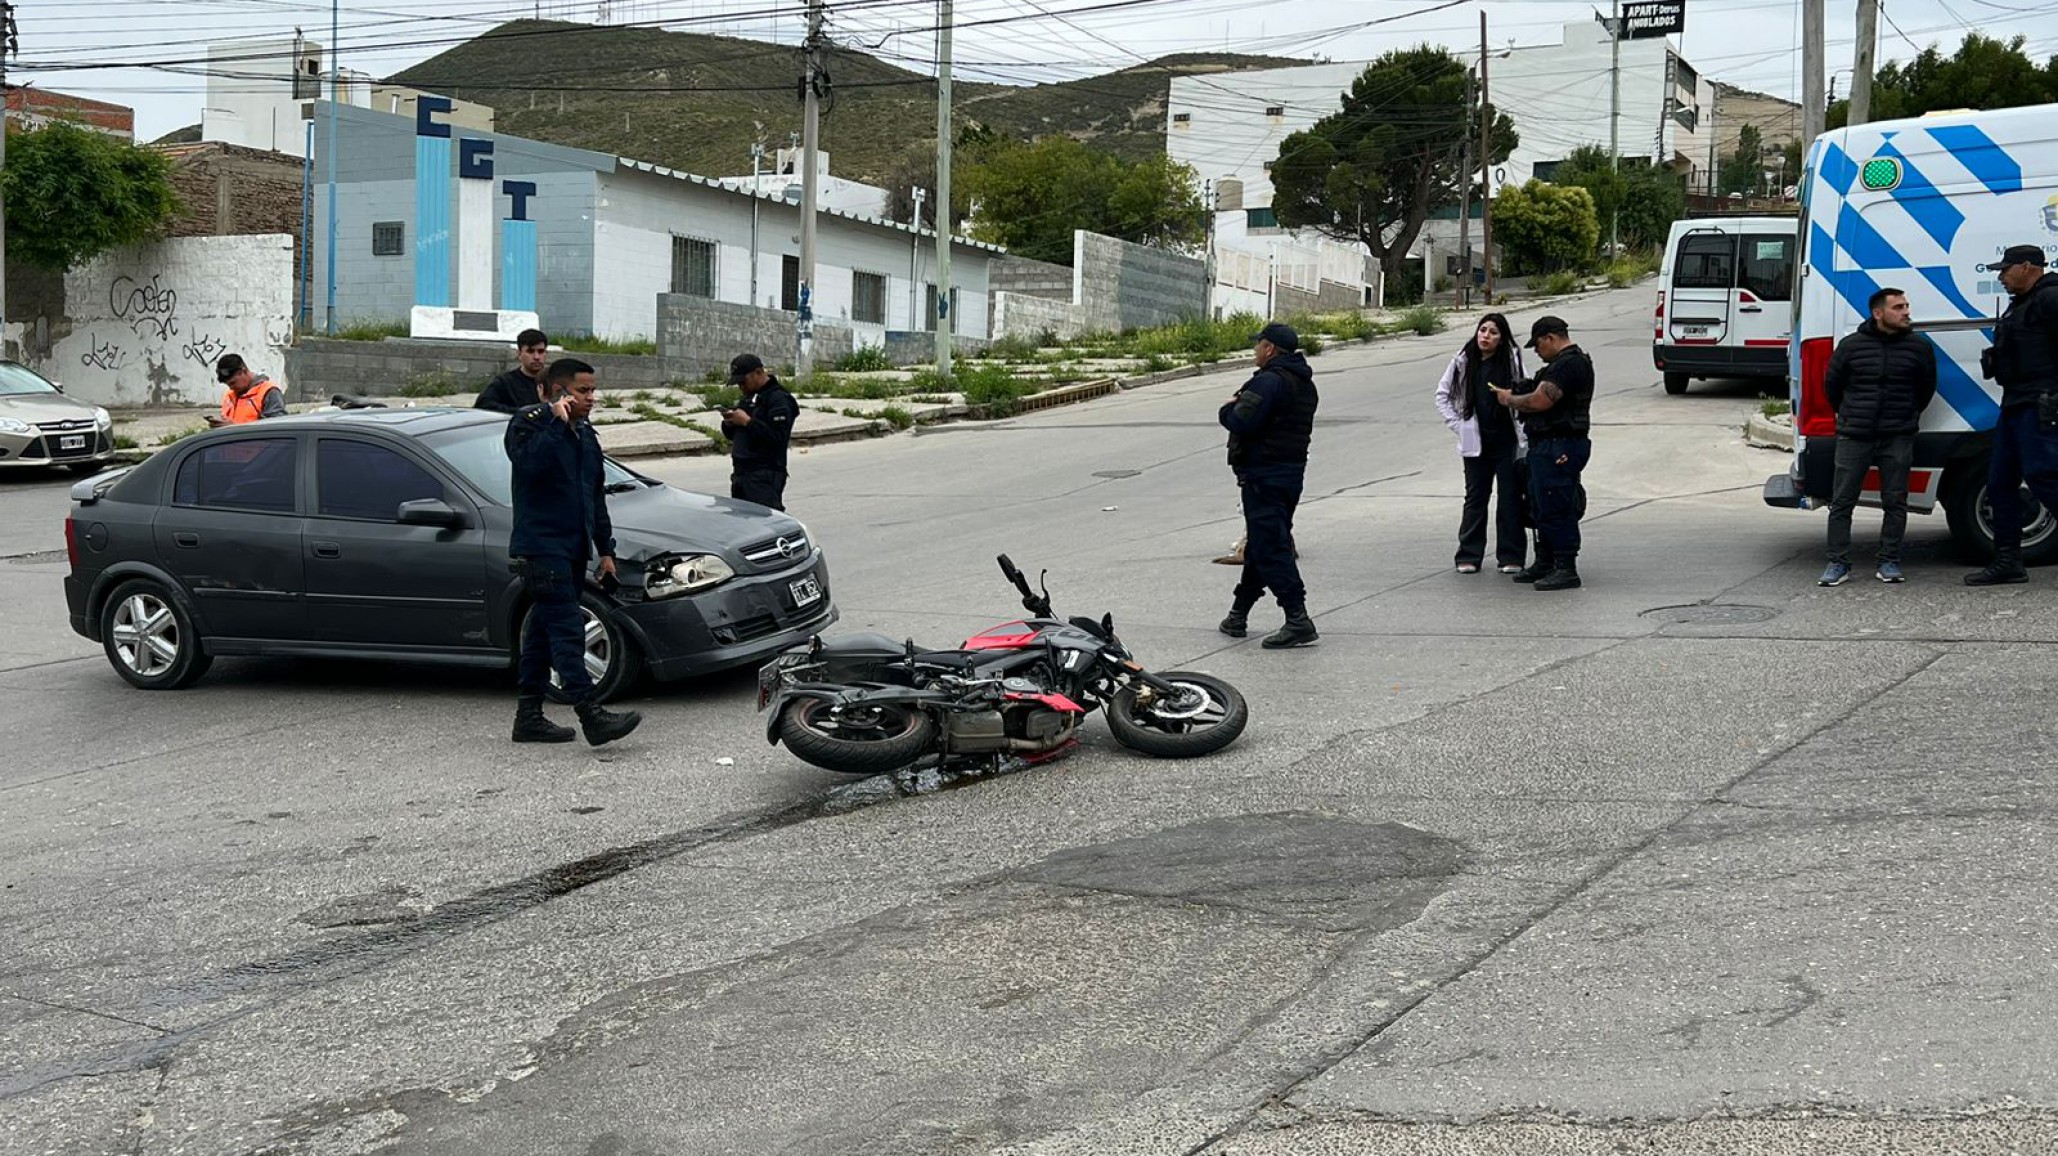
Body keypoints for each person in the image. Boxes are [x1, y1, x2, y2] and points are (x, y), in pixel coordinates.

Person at [504, 357, 642, 747]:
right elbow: (529, 466)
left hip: (572, 548)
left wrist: (606, 550)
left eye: (593, 390)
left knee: (541, 636)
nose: (592, 398)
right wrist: (554, 422)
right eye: (583, 391)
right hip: (541, 548)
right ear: (559, 392)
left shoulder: (584, 433)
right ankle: (591, 715)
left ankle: (528, 718)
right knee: (567, 631)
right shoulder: (529, 423)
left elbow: (593, 497)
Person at [1818, 287, 1937, 586]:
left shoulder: (1919, 347)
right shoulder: (1851, 346)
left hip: (1898, 435)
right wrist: (1851, 415)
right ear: (1878, 313)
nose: (1906, 312)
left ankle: (1889, 561)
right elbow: (1833, 387)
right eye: (1898, 307)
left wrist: (1907, 416)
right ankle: (1838, 563)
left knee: (1895, 501)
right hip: (1855, 434)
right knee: (1842, 501)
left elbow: (1926, 388)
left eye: (1906, 306)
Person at [1217, 321, 1319, 649]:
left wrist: (1227, 408)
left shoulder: (1269, 381)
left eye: (1258, 344)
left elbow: (1241, 420)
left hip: (1264, 476)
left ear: (1270, 348)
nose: (1255, 350)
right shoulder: (1304, 383)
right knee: (1263, 543)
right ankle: (1238, 614)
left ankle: (1297, 618)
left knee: (1271, 548)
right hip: (1289, 474)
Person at [1966, 244, 2058, 586]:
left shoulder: (2051, 298)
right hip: (2016, 402)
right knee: (2000, 482)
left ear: (2027, 266)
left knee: (2043, 477)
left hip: (2041, 403)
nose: (2001, 276)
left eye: (2005, 270)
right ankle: (2008, 561)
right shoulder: (2020, 303)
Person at [1492, 315, 1594, 591]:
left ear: (1550, 337)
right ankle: (1546, 561)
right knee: (1540, 505)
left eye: (1537, 345)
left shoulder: (1569, 364)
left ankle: (1565, 567)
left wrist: (1510, 399)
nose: (1537, 351)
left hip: (1560, 445)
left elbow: (1541, 401)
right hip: (1547, 444)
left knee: (1556, 505)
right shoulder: (1559, 365)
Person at [1433, 313, 1529, 574]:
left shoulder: (1511, 361)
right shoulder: (1463, 361)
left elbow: (1525, 393)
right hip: (1475, 443)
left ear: (1502, 338)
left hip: (1507, 442)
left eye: (1493, 332)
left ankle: (1511, 556)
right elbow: (1442, 396)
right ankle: (1469, 555)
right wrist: (1459, 426)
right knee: (1475, 498)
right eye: (1483, 330)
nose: (1486, 336)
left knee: (1510, 499)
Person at [722, 353, 799, 510]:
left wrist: (747, 422)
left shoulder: (779, 400)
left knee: (765, 520)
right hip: (741, 474)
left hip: (764, 475)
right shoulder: (749, 398)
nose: (741, 387)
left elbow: (777, 437)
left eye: (743, 381)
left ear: (758, 372)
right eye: (738, 383)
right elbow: (734, 435)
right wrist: (729, 422)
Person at [474, 329, 554, 414]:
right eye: (530, 351)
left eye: (541, 351)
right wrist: (522, 413)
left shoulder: (555, 380)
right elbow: (483, 406)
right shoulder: (505, 382)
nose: (536, 357)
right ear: (519, 354)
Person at [208, 354, 285, 426]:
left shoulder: (269, 392)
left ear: (242, 372)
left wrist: (233, 427)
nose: (231, 388)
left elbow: (274, 428)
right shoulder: (230, 395)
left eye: (233, 383)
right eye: (228, 385)